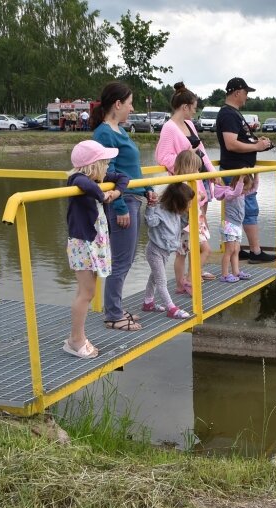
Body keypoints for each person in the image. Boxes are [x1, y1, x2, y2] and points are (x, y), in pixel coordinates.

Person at [91, 81, 157, 331]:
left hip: (133, 197)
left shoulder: (119, 130)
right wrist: (119, 208)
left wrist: (147, 189)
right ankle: (113, 315)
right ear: (117, 104)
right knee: (121, 260)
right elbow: (109, 174)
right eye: (129, 104)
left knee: (126, 259)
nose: (132, 108)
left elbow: (131, 170)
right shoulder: (104, 133)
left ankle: (115, 308)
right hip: (122, 202)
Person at [64, 140, 129, 358]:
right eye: (104, 163)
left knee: (86, 292)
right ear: (93, 166)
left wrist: (116, 193)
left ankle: (77, 336)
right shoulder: (79, 181)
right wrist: (103, 195)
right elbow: (80, 180)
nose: (108, 168)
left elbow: (123, 178)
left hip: (93, 244)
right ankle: (75, 340)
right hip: (82, 243)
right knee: (86, 293)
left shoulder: (95, 178)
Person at [155, 82, 217, 295]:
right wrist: (185, 166)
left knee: (194, 240)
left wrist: (212, 174)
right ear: (184, 107)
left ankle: (190, 278)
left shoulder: (190, 125)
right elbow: (163, 157)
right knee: (187, 241)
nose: (195, 111)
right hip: (184, 187)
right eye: (194, 107)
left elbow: (201, 150)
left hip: (198, 185)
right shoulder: (169, 128)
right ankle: (185, 281)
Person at [216, 77, 276, 264]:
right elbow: (231, 144)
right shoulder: (228, 114)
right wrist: (257, 147)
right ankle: (255, 252)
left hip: (239, 170)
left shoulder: (233, 113)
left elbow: (242, 140)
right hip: (236, 172)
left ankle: (236, 248)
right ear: (237, 92)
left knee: (236, 211)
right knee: (248, 209)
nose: (247, 97)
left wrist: (260, 143)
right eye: (246, 93)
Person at [143, 169, 196, 319]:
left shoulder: (177, 213)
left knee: (154, 277)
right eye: (188, 203)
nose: (190, 205)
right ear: (177, 202)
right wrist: (150, 207)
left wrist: (190, 214)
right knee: (161, 280)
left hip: (166, 251)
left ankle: (148, 302)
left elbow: (183, 225)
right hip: (155, 251)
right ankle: (171, 308)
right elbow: (151, 222)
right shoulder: (160, 210)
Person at [214, 173, 258, 282]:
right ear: (239, 184)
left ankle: (236, 272)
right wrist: (242, 178)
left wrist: (256, 175)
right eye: (244, 189)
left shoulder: (242, 193)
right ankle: (224, 274)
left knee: (236, 250)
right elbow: (237, 192)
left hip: (237, 226)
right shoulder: (230, 192)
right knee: (229, 250)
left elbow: (254, 188)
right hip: (229, 225)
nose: (245, 192)